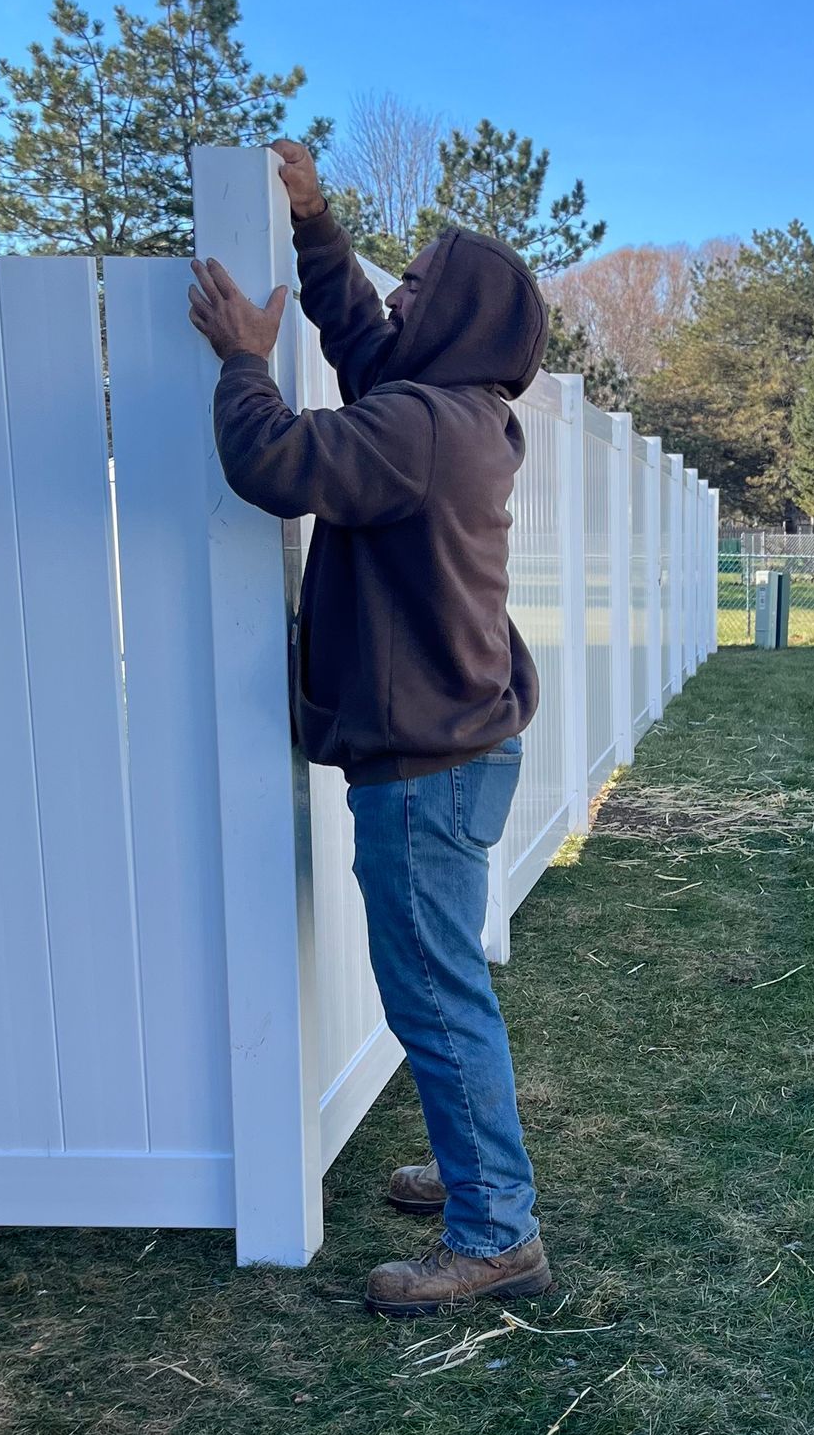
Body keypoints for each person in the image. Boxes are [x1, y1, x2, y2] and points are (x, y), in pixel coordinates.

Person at [187, 138, 551, 1318]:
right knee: (443, 986)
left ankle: (496, 1229)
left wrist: (245, 361)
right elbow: (366, 347)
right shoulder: (453, 412)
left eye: (419, 286)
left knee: (438, 994)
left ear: (459, 321)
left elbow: (276, 458)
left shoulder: (424, 430)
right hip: (457, 745)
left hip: (428, 764)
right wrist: (315, 220)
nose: (397, 296)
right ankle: (469, 1170)